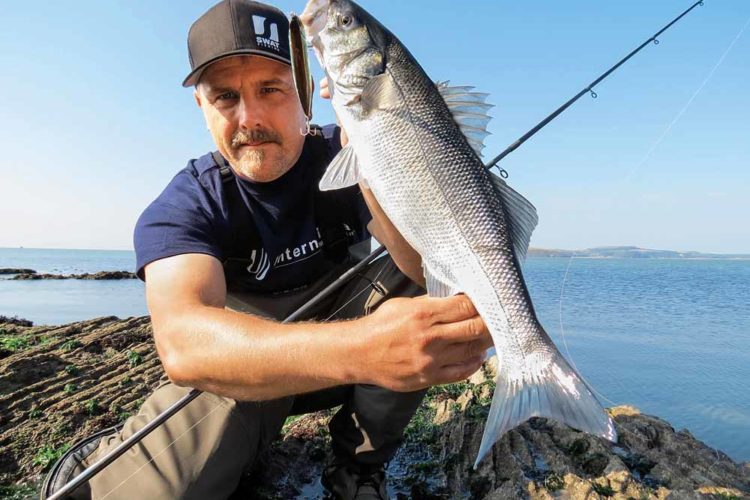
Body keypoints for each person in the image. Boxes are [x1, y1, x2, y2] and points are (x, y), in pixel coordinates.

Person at [41, 1, 492, 499]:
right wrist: (364, 348)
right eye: (226, 97)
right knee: (157, 491)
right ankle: (123, 457)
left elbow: (423, 268)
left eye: (271, 89)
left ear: (305, 93)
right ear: (201, 108)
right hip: (251, 374)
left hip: (353, 360)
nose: (249, 117)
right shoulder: (185, 205)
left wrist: (369, 163)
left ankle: (359, 466)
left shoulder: (347, 152)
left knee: (418, 279)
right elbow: (185, 345)